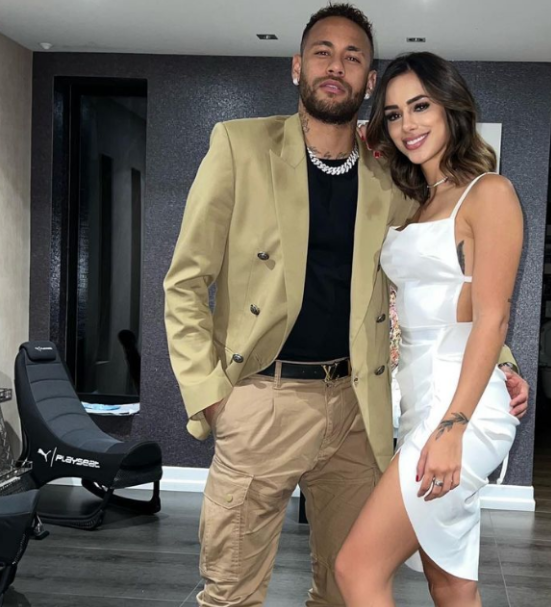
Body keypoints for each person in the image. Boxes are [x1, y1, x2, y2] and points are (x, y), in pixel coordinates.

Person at [163, 6, 528, 606]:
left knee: (346, 586)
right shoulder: (240, 145)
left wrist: (502, 362)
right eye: (322, 52)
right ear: (297, 67)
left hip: (358, 409)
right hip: (262, 401)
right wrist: (211, 395)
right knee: (230, 593)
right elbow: (184, 282)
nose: (336, 66)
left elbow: (448, 280)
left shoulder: (391, 176)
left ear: (368, 79)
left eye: (352, 56)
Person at [335, 52, 524, 607]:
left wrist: (453, 427)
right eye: (393, 114)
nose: (407, 125)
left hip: (460, 409)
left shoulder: (489, 192)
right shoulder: (416, 201)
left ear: (450, 108)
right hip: (420, 402)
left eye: (420, 107)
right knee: (450, 583)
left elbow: (491, 317)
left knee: (356, 569)